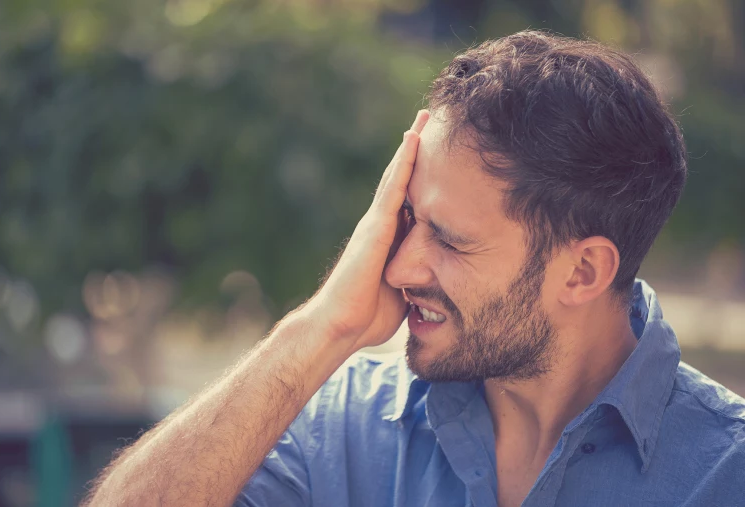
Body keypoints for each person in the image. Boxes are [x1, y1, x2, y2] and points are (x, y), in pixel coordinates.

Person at [83, 30, 745, 507]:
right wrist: (317, 330)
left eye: (450, 240)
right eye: (405, 218)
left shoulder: (726, 472)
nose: (398, 266)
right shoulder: (344, 423)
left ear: (582, 272)